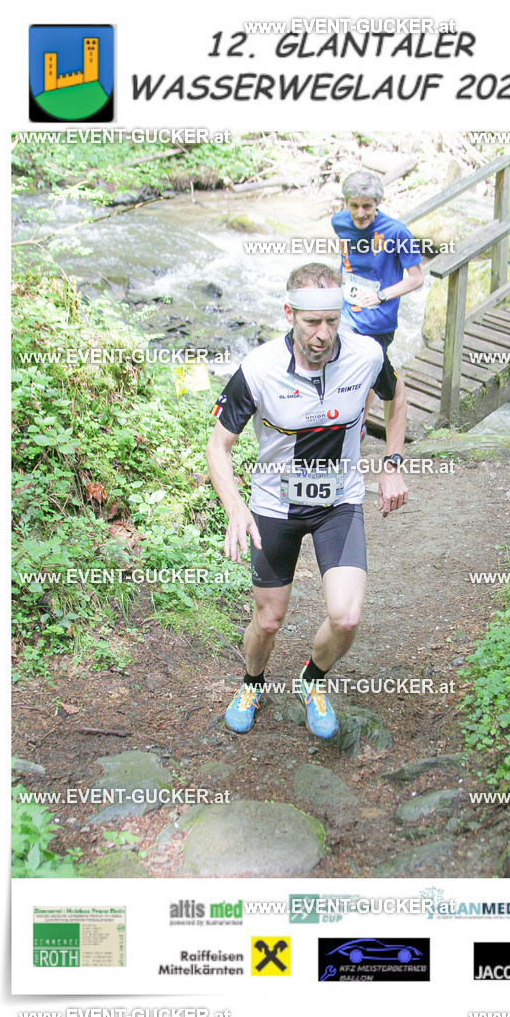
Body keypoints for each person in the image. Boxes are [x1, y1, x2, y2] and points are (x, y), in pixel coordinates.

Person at [206, 263, 408, 739]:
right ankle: (252, 683)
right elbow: (219, 446)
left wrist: (393, 462)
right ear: (289, 313)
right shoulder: (258, 370)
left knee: (347, 616)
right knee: (269, 619)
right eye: (311, 322)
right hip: (275, 506)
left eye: (332, 322)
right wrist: (235, 506)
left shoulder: (366, 355)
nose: (322, 334)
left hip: (338, 503)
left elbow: (398, 397)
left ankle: (311, 680)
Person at [331, 171, 424, 436]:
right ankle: (350, 425)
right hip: (347, 312)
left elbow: (417, 278)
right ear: (346, 203)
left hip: (379, 320)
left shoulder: (396, 232)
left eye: (367, 207)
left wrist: (381, 295)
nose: (360, 213)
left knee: (368, 373)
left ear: (377, 204)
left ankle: (356, 426)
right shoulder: (339, 222)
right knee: (342, 366)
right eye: (354, 206)